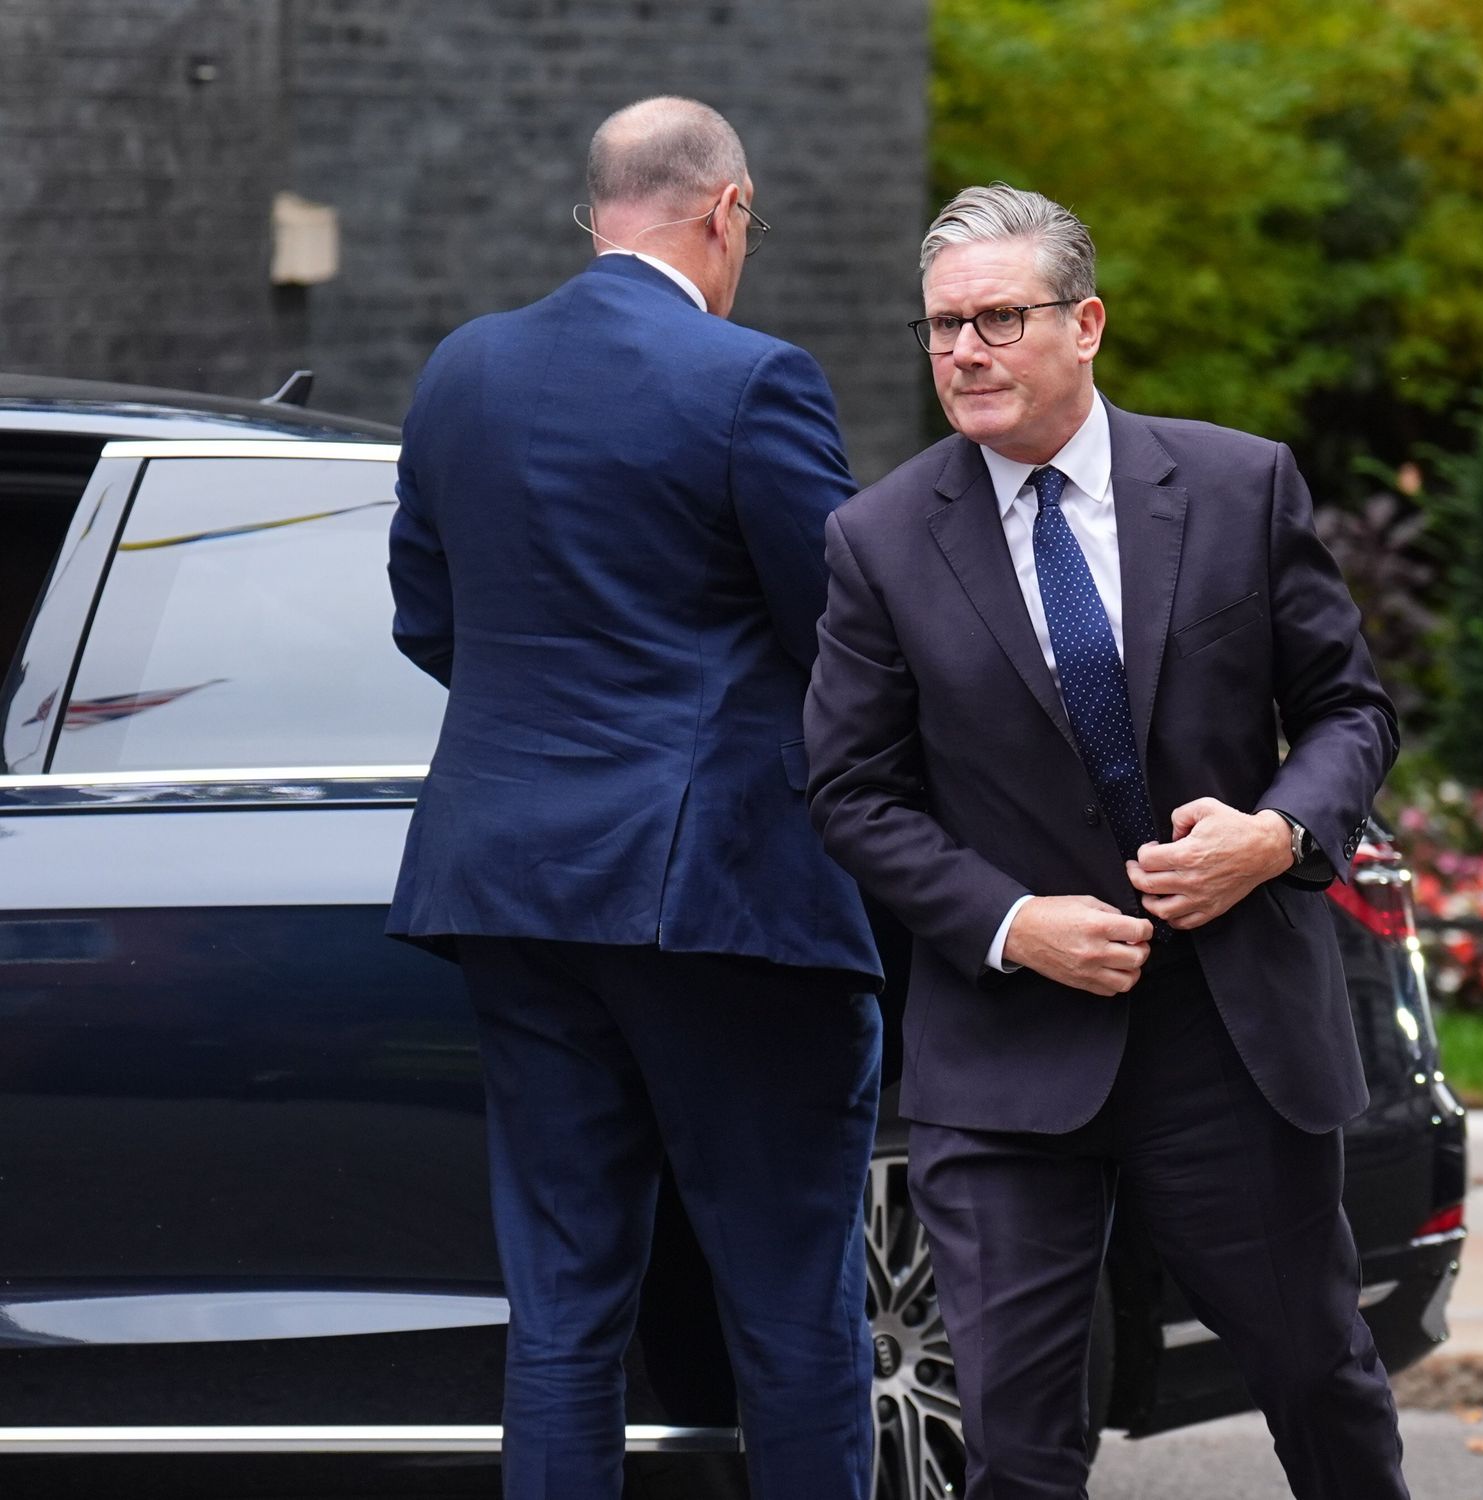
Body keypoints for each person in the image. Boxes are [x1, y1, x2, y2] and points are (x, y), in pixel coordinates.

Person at [806, 183, 1409, 1498]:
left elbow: (1350, 712)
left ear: (1085, 324)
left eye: (998, 320)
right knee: (1018, 1444)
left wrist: (1280, 834)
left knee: (1317, 1379)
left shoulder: (1241, 486)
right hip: (1008, 1054)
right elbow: (851, 792)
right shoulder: (879, 541)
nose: (963, 351)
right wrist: (1013, 924)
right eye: (941, 328)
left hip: (1229, 1033)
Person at [386, 96, 881, 1500]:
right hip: (719, 895)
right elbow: (844, 637)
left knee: (560, 1314)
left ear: (595, 209)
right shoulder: (751, 379)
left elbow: (430, 622)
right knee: (790, 1307)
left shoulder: (461, 371)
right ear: (724, 212)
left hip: (506, 887)